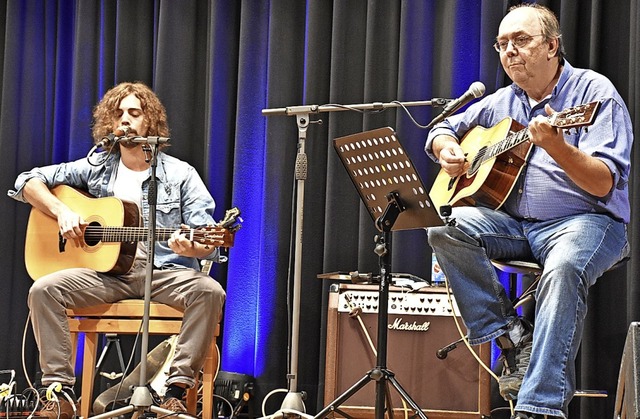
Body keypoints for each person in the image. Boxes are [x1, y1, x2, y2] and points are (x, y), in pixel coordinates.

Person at [425, 4, 632, 419]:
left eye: (521, 41)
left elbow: (603, 183)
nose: (509, 52)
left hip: (588, 222)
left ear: (552, 46)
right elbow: (442, 129)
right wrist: (445, 147)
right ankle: (511, 338)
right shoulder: (503, 101)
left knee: (564, 269)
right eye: (502, 44)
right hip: (518, 225)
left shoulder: (594, 93)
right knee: (445, 228)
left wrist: (557, 145)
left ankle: (539, 406)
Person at [8, 82, 226, 418]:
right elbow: (28, 181)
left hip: (163, 273)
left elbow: (205, 241)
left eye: (134, 113)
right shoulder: (98, 166)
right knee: (44, 290)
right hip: (107, 276)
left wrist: (194, 247)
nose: (124, 120)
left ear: (149, 122)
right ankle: (60, 392)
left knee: (209, 291)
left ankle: (175, 389)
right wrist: (62, 211)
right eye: (119, 114)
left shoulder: (181, 174)